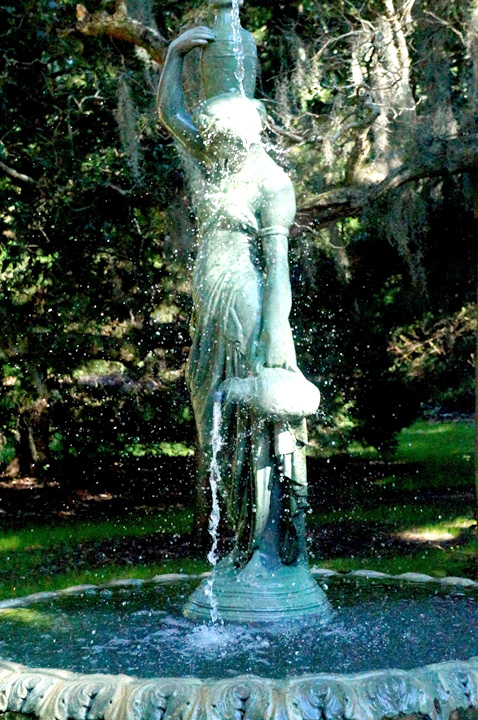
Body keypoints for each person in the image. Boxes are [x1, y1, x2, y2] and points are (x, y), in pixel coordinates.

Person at [157, 27, 308, 569]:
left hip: (245, 299)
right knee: (210, 407)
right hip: (209, 299)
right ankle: (233, 542)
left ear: (257, 124)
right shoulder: (218, 162)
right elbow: (172, 118)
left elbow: (279, 271)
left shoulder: (272, 182)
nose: (217, 138)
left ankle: (263, 541)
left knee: (249, 413)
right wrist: (174, 57)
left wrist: (276, 329)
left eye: (229, 129)